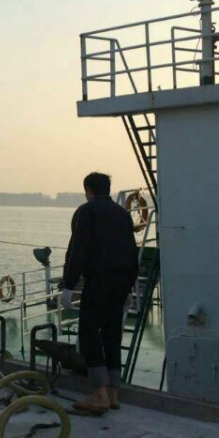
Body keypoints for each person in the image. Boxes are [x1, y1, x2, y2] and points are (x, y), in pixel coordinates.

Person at [61, 172, 138, 413]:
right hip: (122, 281)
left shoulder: (87, 212)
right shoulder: (123, 214)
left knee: (88, 332)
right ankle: (113, 393)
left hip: (99, 280)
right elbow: (132, 251)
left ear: (88, 190)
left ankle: (99, 394)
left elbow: (77, 249)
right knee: (112, 333)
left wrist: (68, 284)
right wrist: (129, 286)